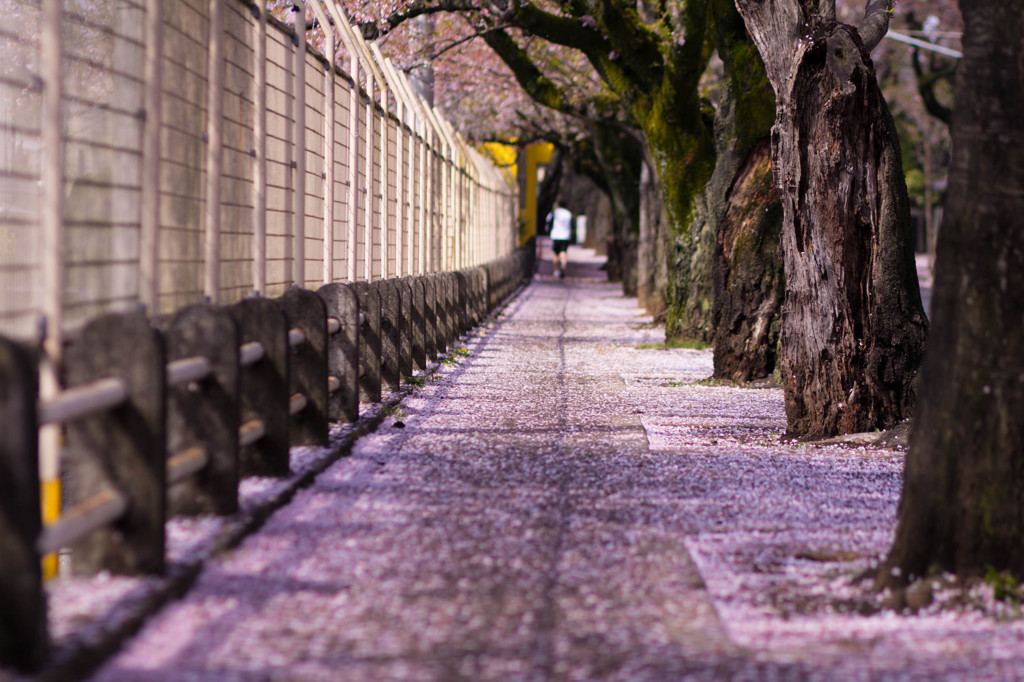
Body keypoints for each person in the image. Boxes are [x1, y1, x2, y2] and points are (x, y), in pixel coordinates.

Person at [547, 201, 573, 278]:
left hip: (556, 235)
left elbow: (548, 223)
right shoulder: (568, 214)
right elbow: (573, 225)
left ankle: (556, 271)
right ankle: (563, 265)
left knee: (555, 254)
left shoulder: (554, 213)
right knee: (563, 252)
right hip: (565, 236)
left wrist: (549, 232)